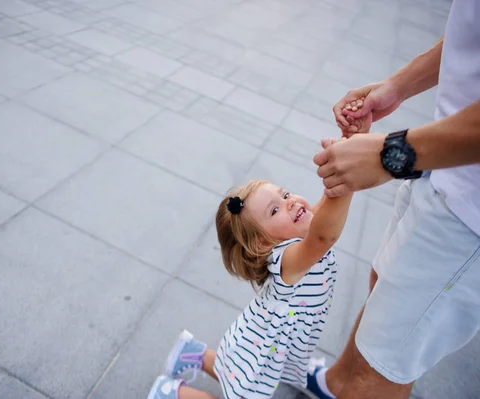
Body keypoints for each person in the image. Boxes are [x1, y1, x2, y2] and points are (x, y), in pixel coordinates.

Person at [305, 1, 480, 398]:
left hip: (469, 213)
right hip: (441, 162)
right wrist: (398, 85)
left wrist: (391, 154)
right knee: (381, 284)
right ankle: (334, 385)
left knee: (380, 368)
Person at [146, 176, 355, 399]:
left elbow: (319, 215)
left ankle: (193, 354)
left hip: (266, 343)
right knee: (246, 391)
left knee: (241, 376)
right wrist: (351, 181)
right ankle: (169, 393)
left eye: (285, 195)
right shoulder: (287, 259)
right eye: (275, 210)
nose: (290, 202)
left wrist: (339, 178)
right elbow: (323, 236)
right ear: (262, 243)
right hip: (264, 345)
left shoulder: (298, 239)